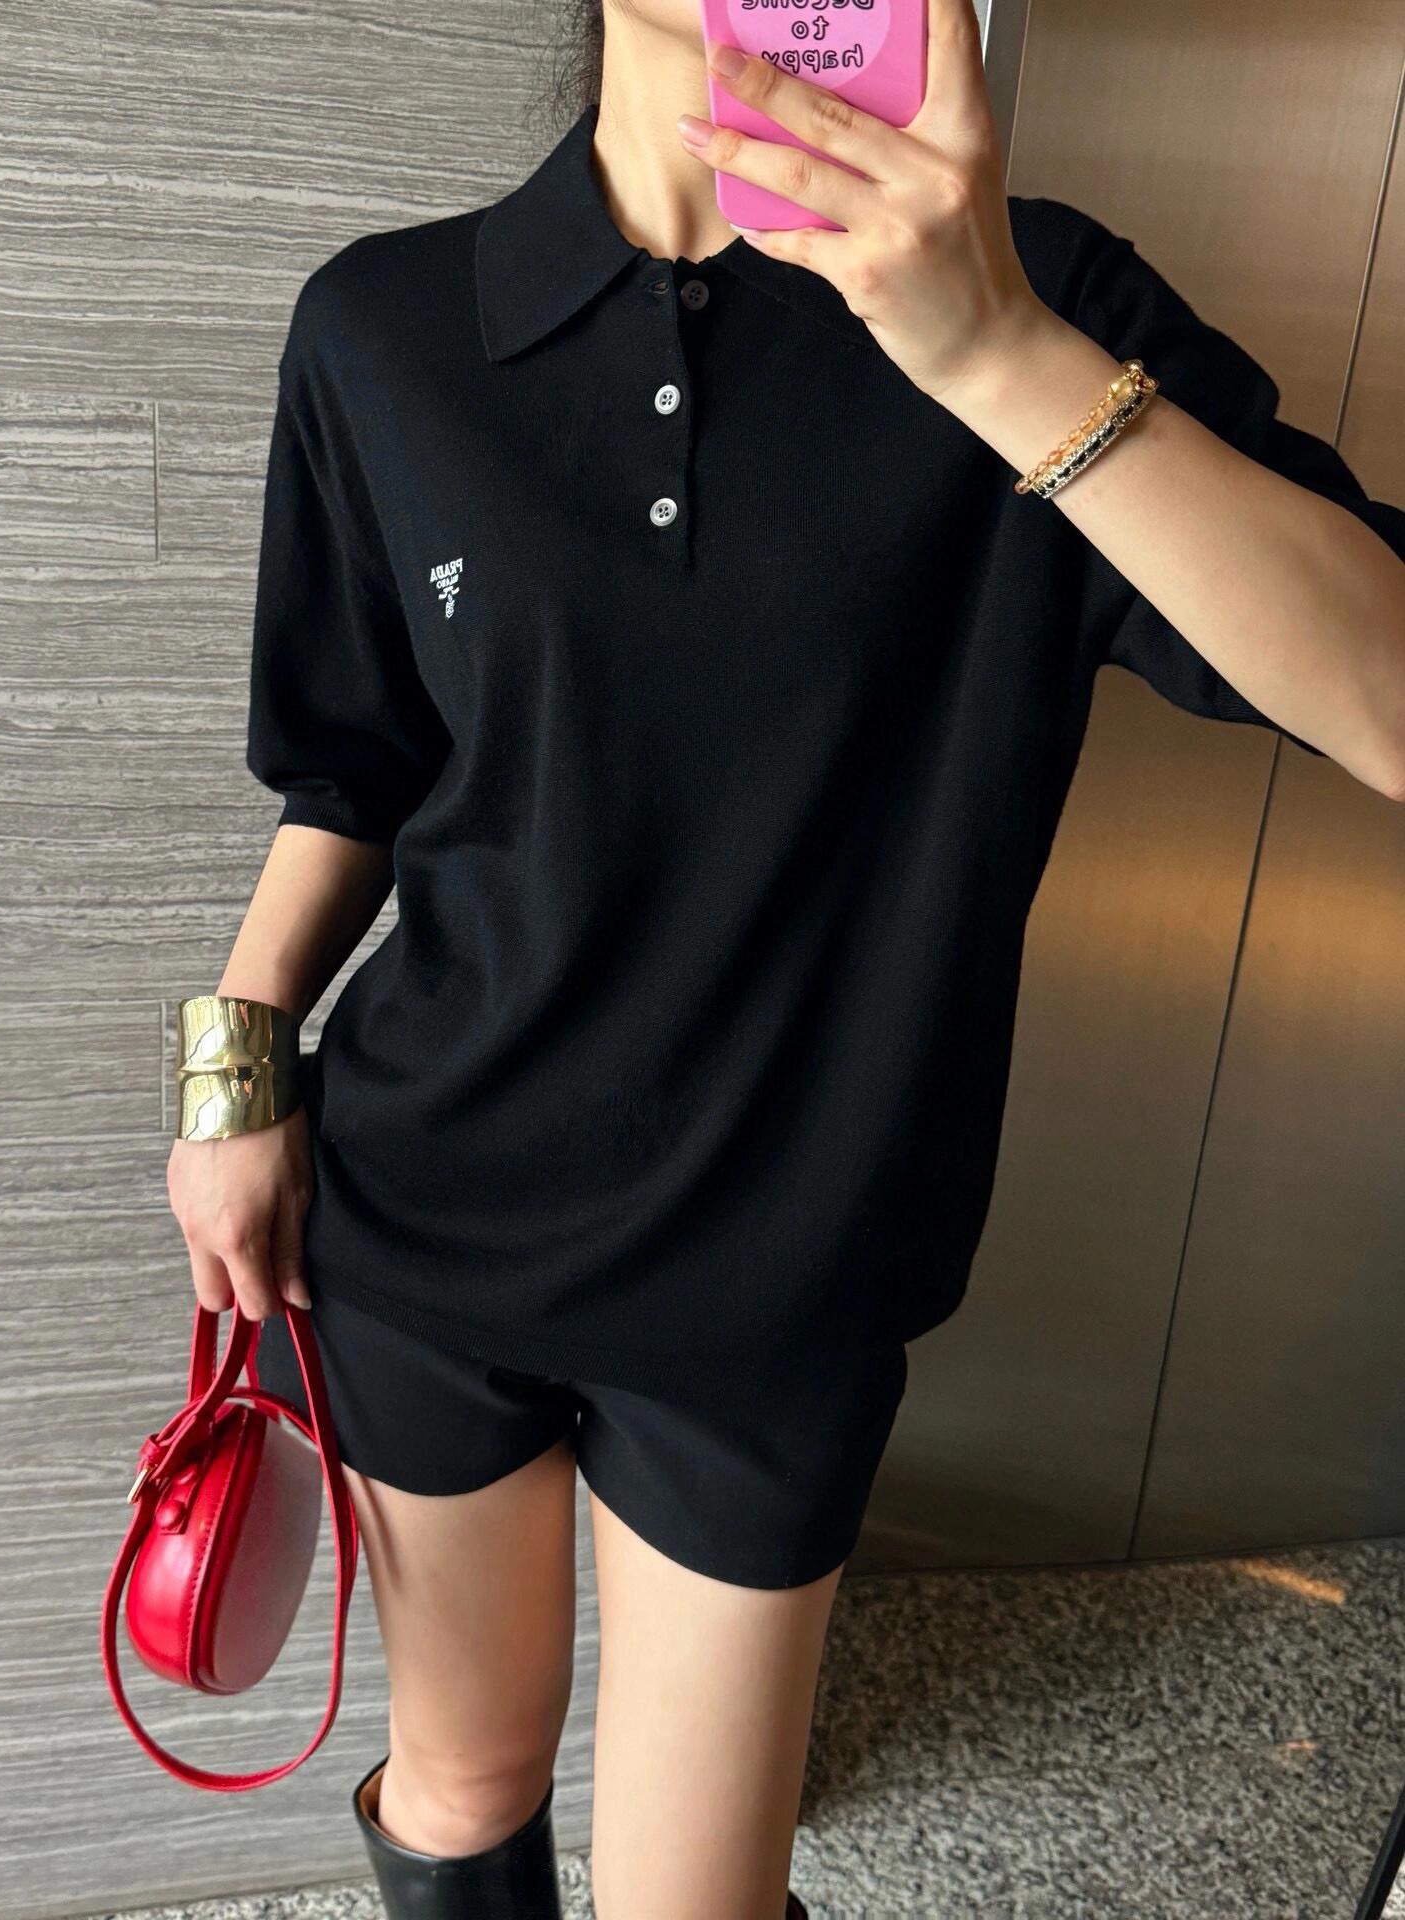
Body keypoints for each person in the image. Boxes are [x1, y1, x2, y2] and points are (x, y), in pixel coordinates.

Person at [164, 1, 1405, 1915]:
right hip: (423, 1225)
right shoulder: (387, 326)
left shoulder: (1040, 300)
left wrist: (996, 354)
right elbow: (358, 770)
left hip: (782, 1287)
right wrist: (232, 1078)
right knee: (462, 1782)